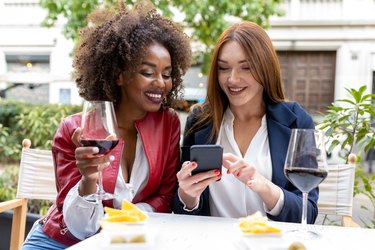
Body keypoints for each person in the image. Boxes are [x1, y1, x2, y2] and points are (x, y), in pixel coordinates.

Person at [23, 1, 191, 249]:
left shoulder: (168, 124)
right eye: (148, 72)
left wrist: (124, 219)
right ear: (119, 75)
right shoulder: (75, 131)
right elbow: (79, 228)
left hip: (126, 239)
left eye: (166, 74)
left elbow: (165, 196)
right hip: (60, 241)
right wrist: (88, 179)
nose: (161, 83)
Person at [172, 21, 318, 224]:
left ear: (265, 68)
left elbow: (308, 213)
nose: (232, 79)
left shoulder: (296, 121)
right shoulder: (199, 122)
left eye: (246, 68)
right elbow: (182, 213)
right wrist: (187, 196)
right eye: (224, 68)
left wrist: (264, 186)